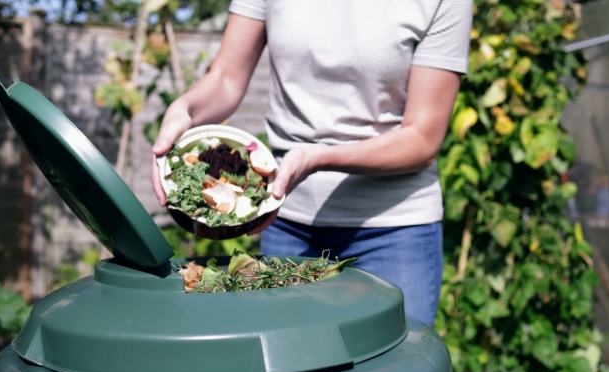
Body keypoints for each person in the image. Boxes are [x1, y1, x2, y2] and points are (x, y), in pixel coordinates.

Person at [152, 0, 472, 325]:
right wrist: (185, 110)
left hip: (393, 231)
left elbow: (422, 137)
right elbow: (226, 77)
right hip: (290, 226)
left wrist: (317, 157)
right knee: (287, 366)